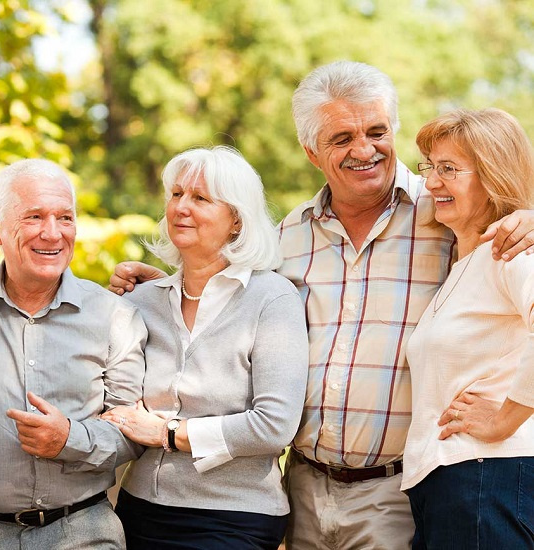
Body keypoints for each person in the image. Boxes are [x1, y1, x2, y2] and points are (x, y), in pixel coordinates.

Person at [107, 61, 534, 549]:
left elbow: (500, 219)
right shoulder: (287, 236)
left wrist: (528, 213)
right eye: (342, 138)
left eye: (376, 131)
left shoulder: (442, 213)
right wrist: (167, 288)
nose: (364, 149)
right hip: (304, 486)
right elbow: (234, 310)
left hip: (400, 490)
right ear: (311, 152)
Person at [0, 159, 147, 549]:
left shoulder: (114, 316)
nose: (52, 234)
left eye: (65, 218)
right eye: (34, 216)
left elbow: (132, 434)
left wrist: (70, 439)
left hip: (84, 535)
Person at [97, 146, 308, 549]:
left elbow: (274, 426)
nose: (181, 207)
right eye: (176, 194)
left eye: (200, 198)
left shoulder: (272, 299)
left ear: (236, 221)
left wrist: (168, 432)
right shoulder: (141, 301)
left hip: (235, 515)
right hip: (139, 506)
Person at [401, 109, 534, 548]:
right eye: (430, 168)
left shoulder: (512, 251)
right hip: (446, 482)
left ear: (493, 176)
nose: (432, 182)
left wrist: (503, 420)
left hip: (487, 475)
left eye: (449, 169)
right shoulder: (464, 266)